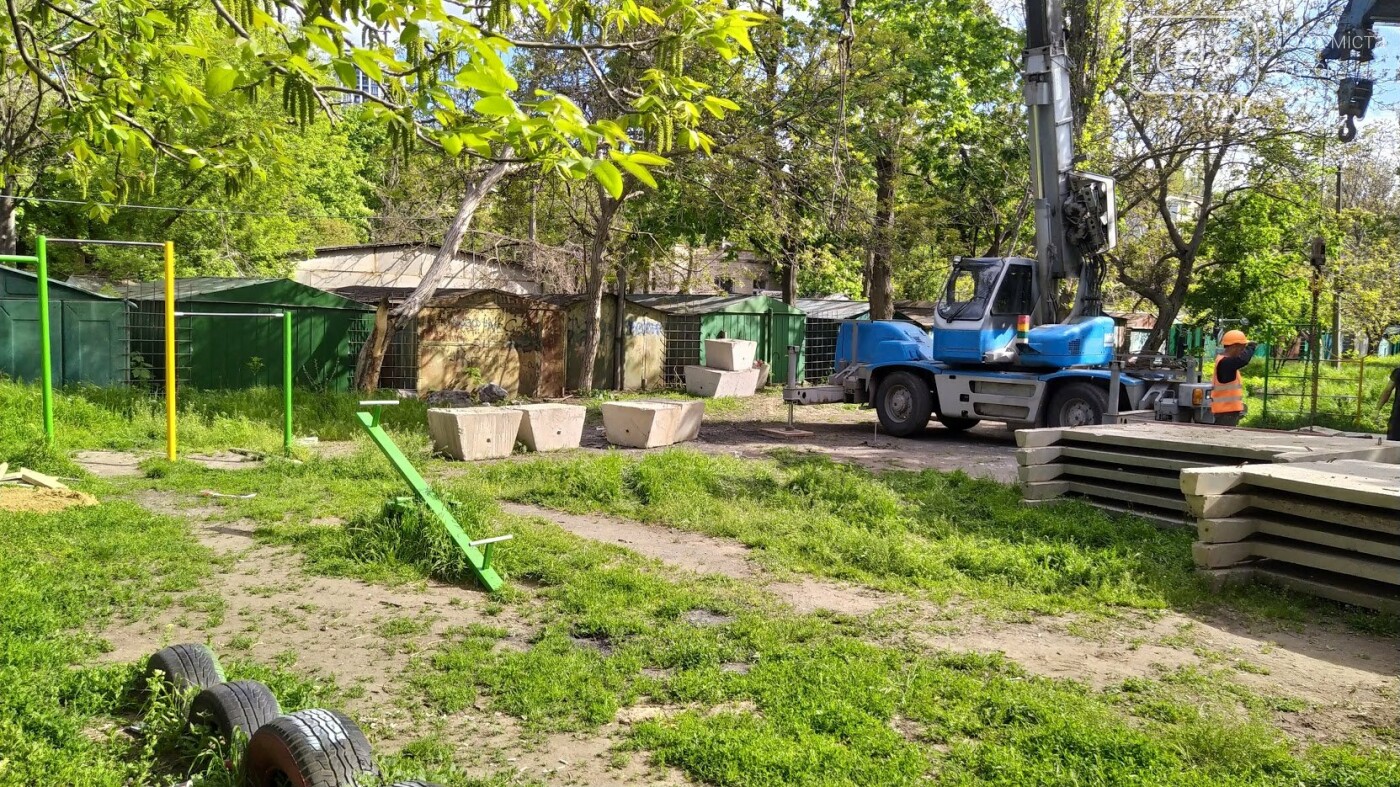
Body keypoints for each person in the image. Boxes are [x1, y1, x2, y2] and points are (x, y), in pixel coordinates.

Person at [1211, 330, 1255, 427]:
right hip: (1226, 412)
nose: (1243, 351)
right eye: (1242, 348)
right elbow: (1243, 360)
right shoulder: (1225, 363)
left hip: (1227, 412)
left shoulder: (1224, 362)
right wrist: (1251, 347)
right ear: (1234, 346)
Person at [1380, 365, 1400, 442]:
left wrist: (1377, 409)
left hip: (1397, 417)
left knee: (1393, 445)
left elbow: (1387, 391)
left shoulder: (1398, 372)